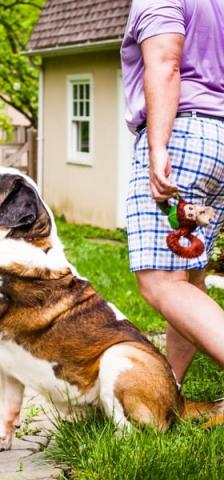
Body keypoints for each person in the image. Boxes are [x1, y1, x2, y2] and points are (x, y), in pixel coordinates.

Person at [121, 0, 224, 387]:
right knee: (188, 279)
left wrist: (158, 147)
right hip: (218, 137)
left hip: (183, 137)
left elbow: (166, 63)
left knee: (162, 283)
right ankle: (172, 390)